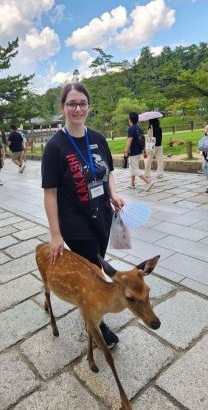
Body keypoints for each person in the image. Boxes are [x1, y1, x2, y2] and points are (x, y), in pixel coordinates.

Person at [41, 82, 125, 349]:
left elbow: (108, 171)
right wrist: (56, 235)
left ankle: (93, 306)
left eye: (82, 103)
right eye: (71, 104)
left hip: (102, 215)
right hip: (74, 221)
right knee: (93, 270)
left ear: (88, 106)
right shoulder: (55, 147)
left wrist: (113, 194)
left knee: (97, 262)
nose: (77, 108)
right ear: (63, 108)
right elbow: (50, 193)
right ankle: (95, 321)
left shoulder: (98, 138)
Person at [124, 112, 154, 190]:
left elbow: (129, 140)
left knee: (135, 169)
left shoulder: (130, 129)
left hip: (133, 152)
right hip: (139, 151)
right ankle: (132, 183)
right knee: (132, 167)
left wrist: (126, 151)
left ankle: (148, 182)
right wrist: (144, 150)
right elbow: (143, 140)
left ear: (130, 120)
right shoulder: (139, 128)